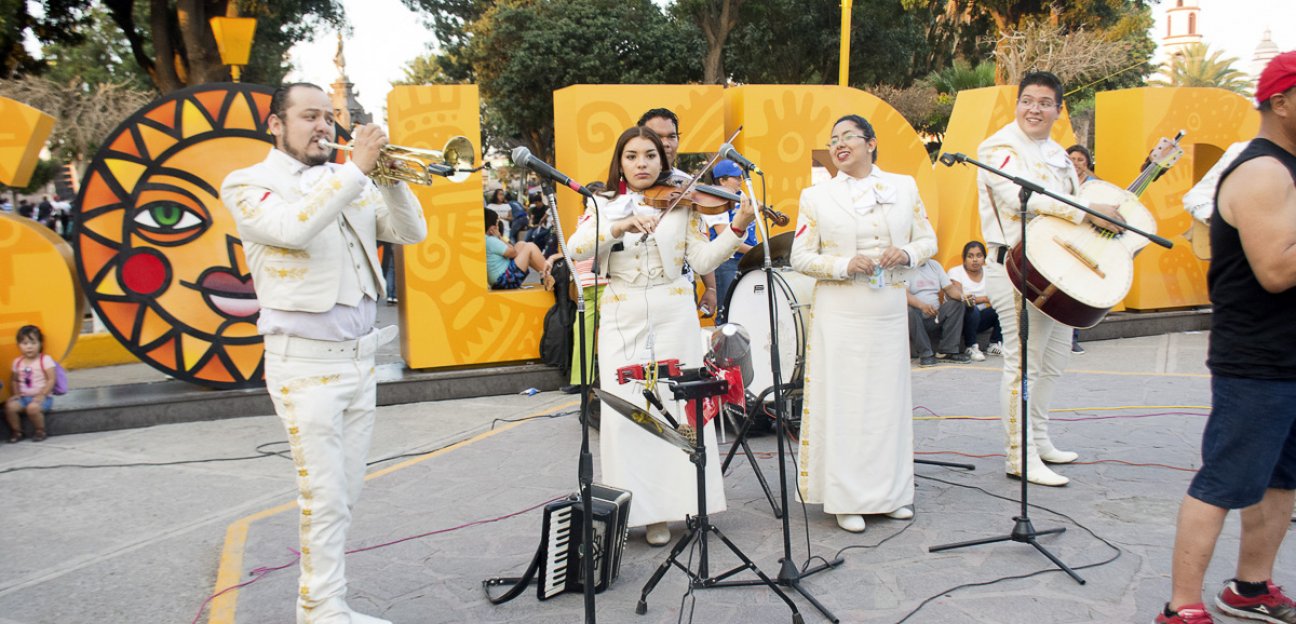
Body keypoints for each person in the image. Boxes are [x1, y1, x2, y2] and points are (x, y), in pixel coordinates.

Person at [220, 82, 427, 624]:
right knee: (324, 495)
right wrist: (357, 170)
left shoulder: (349, 180)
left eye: (328, 117)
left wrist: (391, 178)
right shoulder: (247, 183)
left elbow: (411, 231)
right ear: (275, 124)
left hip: (360, 360)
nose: (323, 126)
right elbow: (292, 228)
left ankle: (326, 605)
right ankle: (319, 611)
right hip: (303, 364)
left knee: (345, 493)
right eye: (308, 116)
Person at [1155, 51, 1296, 624]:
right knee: (1224, 480)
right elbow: (1277, 270)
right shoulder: (1263, 171)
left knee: (1283, 480)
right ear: (1282, 103)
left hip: (1288, 357)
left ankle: (1250, 588)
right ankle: (1181, 606)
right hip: (1258, 361)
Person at [567, 126, 753, 546]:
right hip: (621, 316)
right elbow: (577, 249)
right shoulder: (602, 205)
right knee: (630, 413)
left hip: (674, 314)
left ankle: (683, 504)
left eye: (650, 155)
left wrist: (737, 226)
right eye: (631, 156)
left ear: (662, 160)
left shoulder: (683, 205)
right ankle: (645, 513)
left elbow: (702, 258)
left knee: (680, 408)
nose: (642, 164)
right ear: (620, 161)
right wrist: (619, 226)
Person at [977, 71, 1126, 487]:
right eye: (1028, 100)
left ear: (1059, 111)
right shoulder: (998, 146)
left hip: (1059, 270)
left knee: (1054, 360)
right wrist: (1085, 211)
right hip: (1014, 267)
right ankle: (1018, 455)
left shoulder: (1060, 154)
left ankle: (1039, 439)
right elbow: (1018, 197)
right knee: (1023, 362)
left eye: (1044, 103)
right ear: (1017, 104)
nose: (1035, 109)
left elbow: (1077, 203)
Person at [790, 114, 937, 533]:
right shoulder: (816, 196)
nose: (839, 144)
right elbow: (799, 256)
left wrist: (906, 253)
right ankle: (846, 497)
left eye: (848, 136)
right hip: (841, 309)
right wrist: (841, 263)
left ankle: (890, 494)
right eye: (833, 138)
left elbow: (928, 240)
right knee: (846, 402)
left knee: (885, 403)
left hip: (888, 307)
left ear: (870, 143)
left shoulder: (904, 186)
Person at [638, 108, 719, 318]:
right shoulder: (626, 184)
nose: (666, 143)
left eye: (671, 136)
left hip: (680, 287)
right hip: (637, 293)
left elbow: (697, 240)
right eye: (657, 137)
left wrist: (710, 287)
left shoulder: (687, 185)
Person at [700, 159, 757, 319]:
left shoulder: (742, 196)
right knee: (728, 310)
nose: (740, 180)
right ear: (722, 180)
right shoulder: (715, 200)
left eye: (741, 177)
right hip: (728, 262)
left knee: (746, 310)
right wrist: (756, 252)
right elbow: (727, 236)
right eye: (736, 177)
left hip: (747, 260)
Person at [1065, 144, 1100, 354]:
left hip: (1086, 240)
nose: (1076, 164)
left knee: (1077, 290)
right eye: (1072, 159)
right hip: (1062, 238)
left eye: (1081, 160)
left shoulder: (1094, 185)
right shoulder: (1060, 182)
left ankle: (1073, 337)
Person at [907, 258, 970, 367]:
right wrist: (922, 306)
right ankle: (926, 354)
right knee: (909, 310)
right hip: (916, 317)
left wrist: (963, 297)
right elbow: (904, 294)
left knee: (957, 304)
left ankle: (948, 351)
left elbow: (949, 288)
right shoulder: (904, 268)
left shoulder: (934, 265)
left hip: (935, 316)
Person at [947, 241, 1003, 361]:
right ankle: (971, 346)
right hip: (960, 320)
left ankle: (994, 343)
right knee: (972, 308)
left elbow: (997, 295)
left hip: (980, 319)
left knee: (1001, 307)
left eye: (979, 255)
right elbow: (961, 297)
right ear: (964, 258)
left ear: (984, 258)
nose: (975, 260)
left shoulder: (989, 272)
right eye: (970, 256)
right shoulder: (955, 272)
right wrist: (984, 299)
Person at [5, 325, 56, 443]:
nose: (29, 347)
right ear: (19, 345)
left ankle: (40, 430)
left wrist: (42, 395)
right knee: (10, 407)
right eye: (25, 343)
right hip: (24, 397)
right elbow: (15, 380)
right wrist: (16, 394)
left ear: (40, 344)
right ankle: (17, 431)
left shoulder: (45, 360)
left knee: (32, 408)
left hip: (43, 397)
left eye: (33, 343)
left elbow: (51, 379)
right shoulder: (17, 362)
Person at [485, 209, 547, 289]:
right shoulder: (491, 240)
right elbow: (513, 253)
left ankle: (544, 274)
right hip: (504, 281)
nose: (498, 226)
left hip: (501, 281)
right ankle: (551, 274)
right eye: (497, 223)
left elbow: (512, 250)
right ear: (492, 228)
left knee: (520, 244)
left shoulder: (486, 239)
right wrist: (500, 237)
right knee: (530, 246)